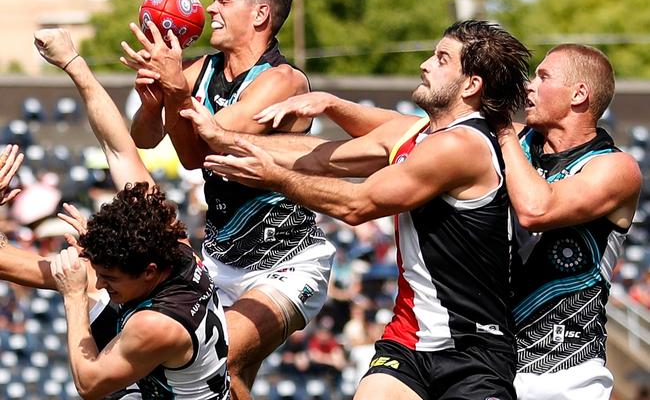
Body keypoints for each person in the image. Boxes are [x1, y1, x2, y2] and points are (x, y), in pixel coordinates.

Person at [180, 20, 531, 400]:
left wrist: (273, 176)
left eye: (442, 58)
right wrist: (225, 138)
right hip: (408, 342)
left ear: (471, 85)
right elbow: (319, 159)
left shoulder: (462, 145)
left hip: (472, 348)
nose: (425, 64)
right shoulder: (419, 134)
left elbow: (355, 204)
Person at [120, 0, 335, 399]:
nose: (209, 9)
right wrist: (151, 101)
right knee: (226, 378)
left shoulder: (282, 80)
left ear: (259, 15)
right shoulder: (201, 70)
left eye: (223, 0)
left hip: (285, 262)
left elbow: (204, 152)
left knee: (219, 357)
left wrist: (176, 91)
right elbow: (145, 138)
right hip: (219, 260)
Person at [30, 28, 230, 399]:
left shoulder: (156, 324)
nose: (105, 284)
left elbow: (88, 385)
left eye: (112, 277)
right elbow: (119, 149)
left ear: (150, 271)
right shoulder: (172, 242)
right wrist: (74, 63)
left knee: (80, 288)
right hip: (171, 377)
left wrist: (73, 298)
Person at [497, 44, 642, 400]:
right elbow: (416, 129)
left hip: (565, 373)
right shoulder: (517, 141)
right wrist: (335, 105)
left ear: (579, 94)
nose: (529, 85)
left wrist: (499, 129)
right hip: (491, 362)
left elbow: (536, 211)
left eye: (543, 76)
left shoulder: (615, 168)